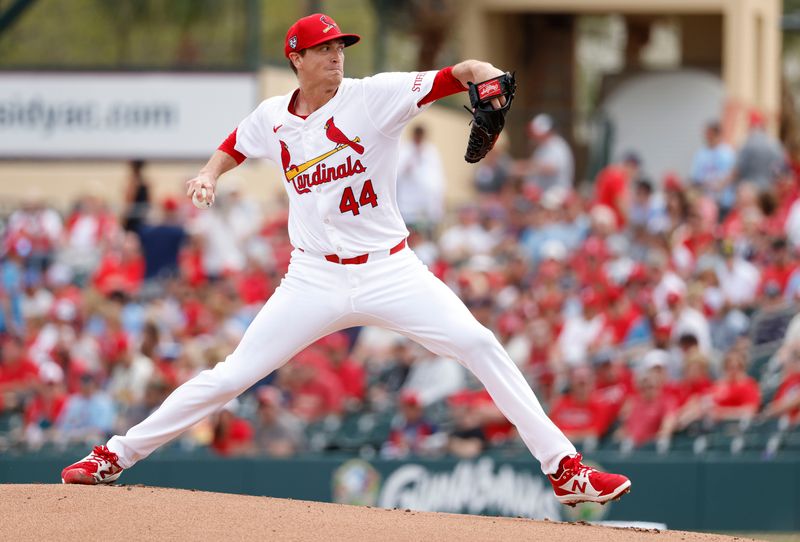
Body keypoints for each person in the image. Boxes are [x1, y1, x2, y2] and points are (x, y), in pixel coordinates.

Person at [61, 12, 630, 506]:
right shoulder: (273, 116)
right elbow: (237, 141)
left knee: (480, 343)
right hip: (312, 276)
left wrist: (480, 74)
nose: (336, 56)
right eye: (324, 49)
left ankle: (565, 469)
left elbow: (452, 76)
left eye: (340, 48)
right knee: (232, 374)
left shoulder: (372, 96)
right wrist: (209, 174)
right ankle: (114, 456)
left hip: (390, 269)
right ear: (296, 59)